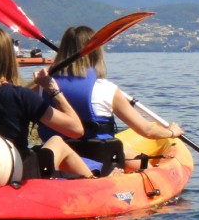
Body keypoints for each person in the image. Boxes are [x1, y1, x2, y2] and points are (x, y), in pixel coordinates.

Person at [0, 27, 94, 179]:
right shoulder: (21, 97)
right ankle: (95, 184)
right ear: (9, 58)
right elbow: (76, 129)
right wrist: (53, 90)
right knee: (57, 141)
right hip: (18, 171)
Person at [37, 26, 183, 149]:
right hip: (99, 162)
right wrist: (171, 132)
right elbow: (147, 130)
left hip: (56, 158)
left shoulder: (41, 87)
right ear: (96, 52)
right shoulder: (105, 89)